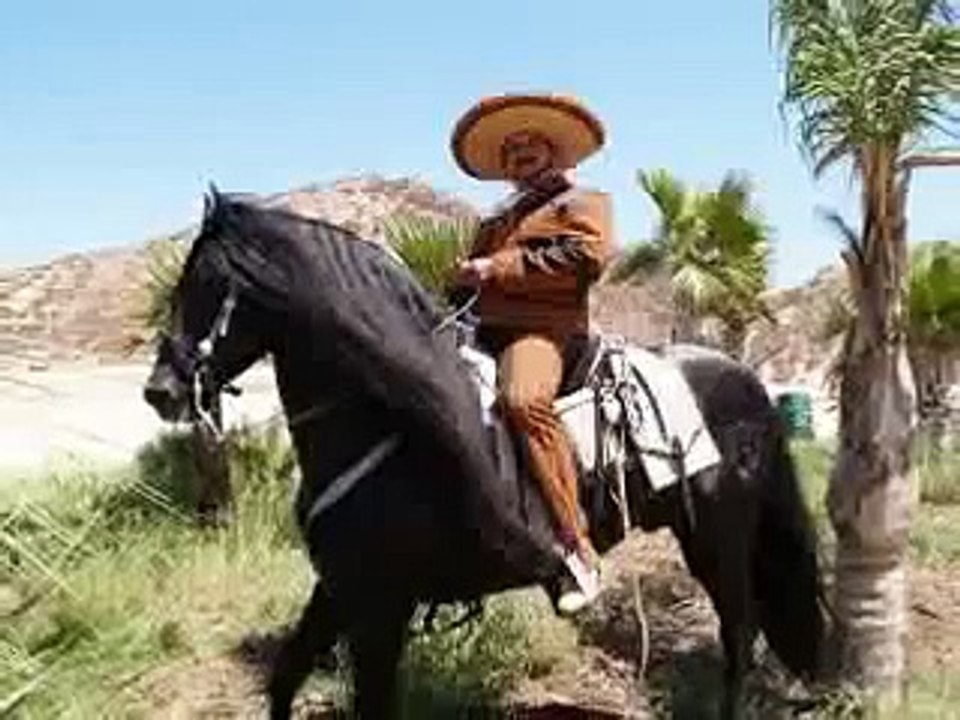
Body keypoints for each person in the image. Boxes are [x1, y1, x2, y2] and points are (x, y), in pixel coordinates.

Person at [449, 93, 614, 615]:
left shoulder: (582, 203)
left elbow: (586, 258)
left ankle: (575, 547)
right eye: (511, 147)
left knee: (523, 401)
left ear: (552, 151)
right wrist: (458, 281)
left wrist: (495, 268)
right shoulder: (495, 221)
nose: (519, 151)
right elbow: (473, 281)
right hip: (482, 329)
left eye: (530, 143)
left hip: (542, 331)